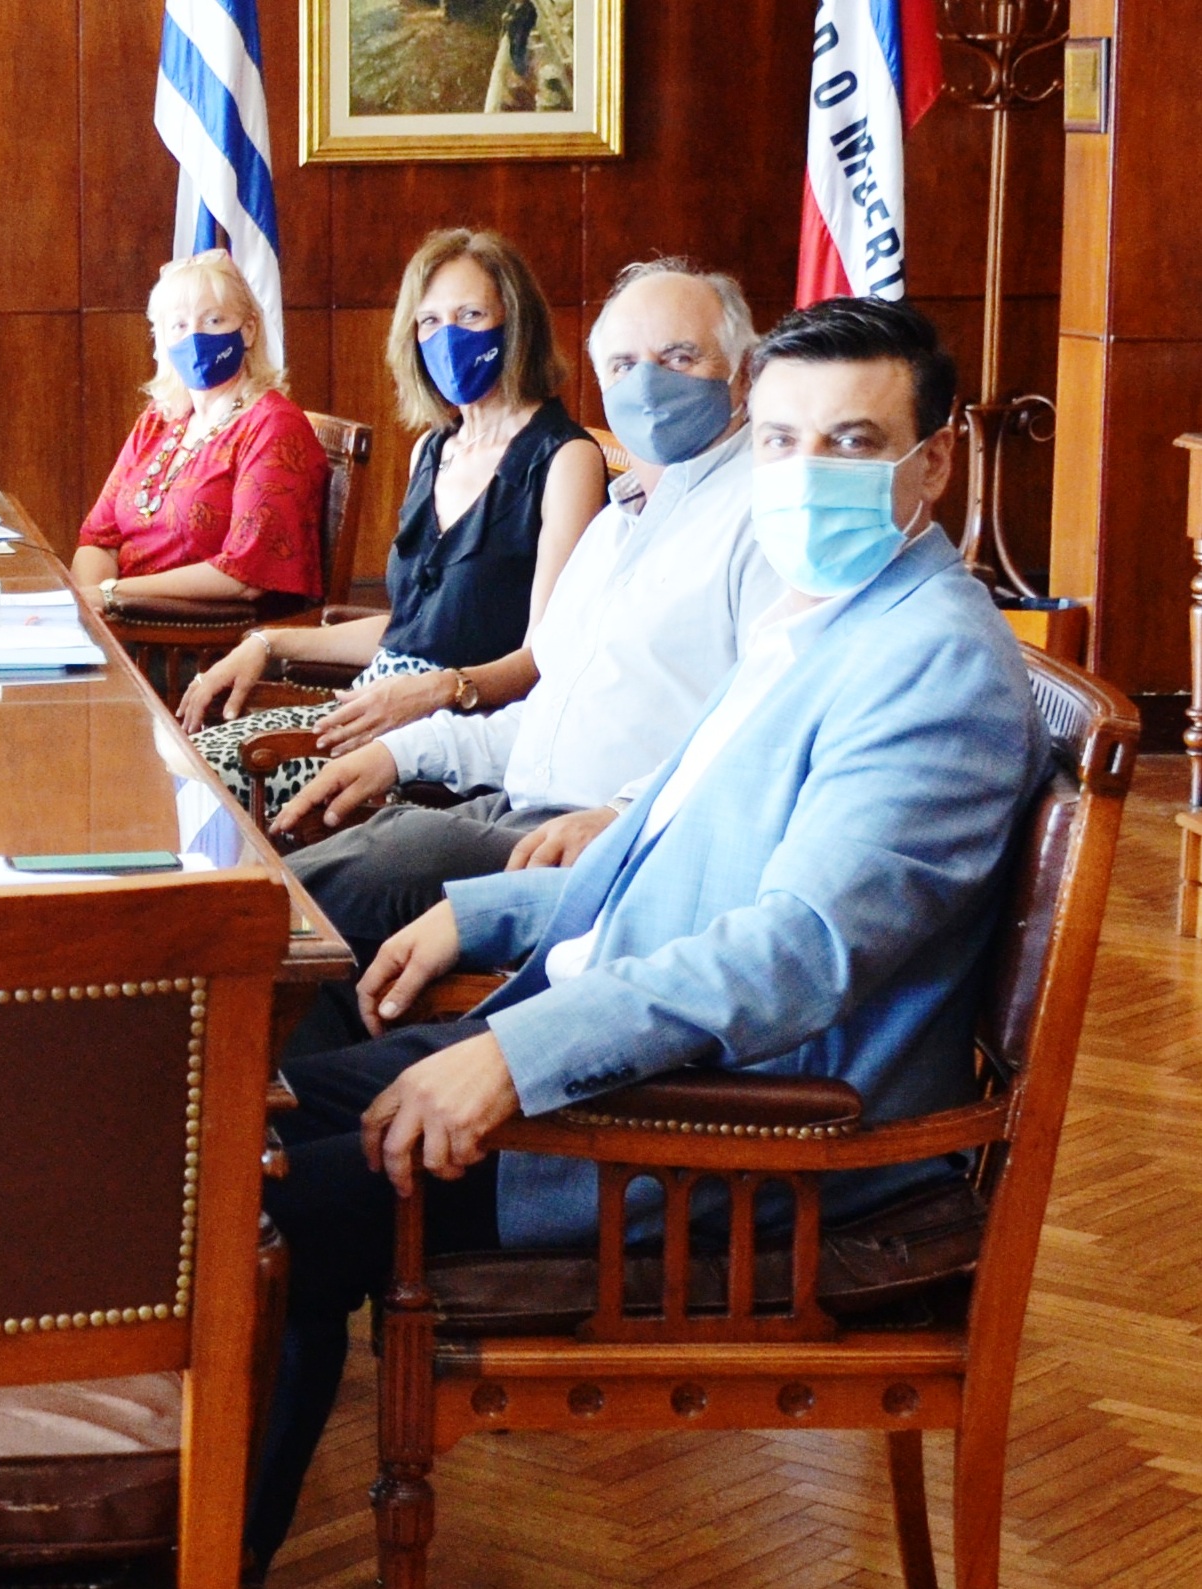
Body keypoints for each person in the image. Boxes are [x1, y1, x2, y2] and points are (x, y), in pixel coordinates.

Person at [240, 297, 1041, 1578]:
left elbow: (794, 950)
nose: (803, 475)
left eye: (850, 442)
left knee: (269, 1215)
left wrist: (517, 1058)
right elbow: (664, 850)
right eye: (777, 441)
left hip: (731, 1136)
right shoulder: (820, 615)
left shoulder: (930, 662)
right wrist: (477, 912)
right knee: (241, 1129)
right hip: (621, 1064)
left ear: (932, 461)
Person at [268, 259, 783, 981]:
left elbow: (763, 737)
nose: (648, 385)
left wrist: (621, 815)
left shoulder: (766, 519)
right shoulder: (617, 525)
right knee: (332, 891)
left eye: (679, 358)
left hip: (618, 846)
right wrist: (402, 753)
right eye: (625, 365)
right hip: (516, 806)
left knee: (347, 878)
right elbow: (546, 716)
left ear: (744, 374)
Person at [177, 229, 607, 813]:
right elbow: (409, 630)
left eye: (470, 315)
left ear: (516, 323)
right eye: (429, 322)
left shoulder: (565, 459)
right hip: (370, 709)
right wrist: (267, 641)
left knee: (210, 783)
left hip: (458, 735)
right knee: (181, 759)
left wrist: (435, 691)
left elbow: (543, 660)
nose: (448, 336)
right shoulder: (433, 448)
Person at [76, 249, 330, 615]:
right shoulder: (160, 419)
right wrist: (90, 609)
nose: (194, 337)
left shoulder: (272, 426)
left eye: (213, 320)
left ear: (249, 329)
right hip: (126, 621)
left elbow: (246, 575)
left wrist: (111, 595)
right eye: (179, 326)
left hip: (201, 632)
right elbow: (100, 537)